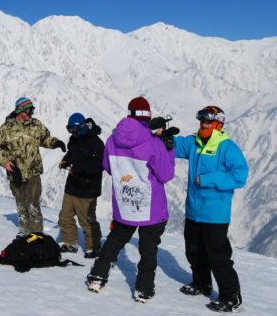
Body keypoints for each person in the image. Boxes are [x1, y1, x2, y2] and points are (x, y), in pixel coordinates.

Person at [87, 96, 175, 303]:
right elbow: (165, 175)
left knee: (115, 240)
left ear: (129, 114)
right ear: (149, 116)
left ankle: (97, 276)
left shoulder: (112, 139)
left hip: (124, 204)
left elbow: (108, 167)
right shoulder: (154, 142)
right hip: (150, 207)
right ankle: (144, 289)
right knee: (148, 249)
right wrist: (169, 149)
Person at [174, 105, 248, 313]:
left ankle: (231, 296)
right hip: (193, 211)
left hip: (215, 214)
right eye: (202, 122)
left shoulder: (227, 147)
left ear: (218, 124)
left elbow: (239, 175)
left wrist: (208, 179)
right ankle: (201, 282)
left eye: (208, 122)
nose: (204, 125)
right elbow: (174, 146)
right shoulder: (194, 143)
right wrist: (162, 135)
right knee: (193, 251)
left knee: (218, 256)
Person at [0, 97, 66, 237]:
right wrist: (6, 162)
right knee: (21, 203)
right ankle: (24, 230)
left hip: (33, 171)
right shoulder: (6, 128)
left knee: (33, 204)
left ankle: (37, 233)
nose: (31, 113)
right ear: (20, 110)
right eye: (28, 110)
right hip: (15, 172)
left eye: (32, 110)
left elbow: (45, 139)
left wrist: (56, 143)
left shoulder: (36, 125)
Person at [58, 113, 104, 258]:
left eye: (74, 130)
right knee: (65, 216)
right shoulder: (75, 140)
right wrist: (66, 160)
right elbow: (72, 154)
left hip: (88, 189)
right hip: (72, 185)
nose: (72, 133)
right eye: (69, 130)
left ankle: (94, 247)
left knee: (87, 220)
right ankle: (69, 242)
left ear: (82, 127)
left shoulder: (96, 143)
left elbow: (97, 166)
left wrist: (77, 169)